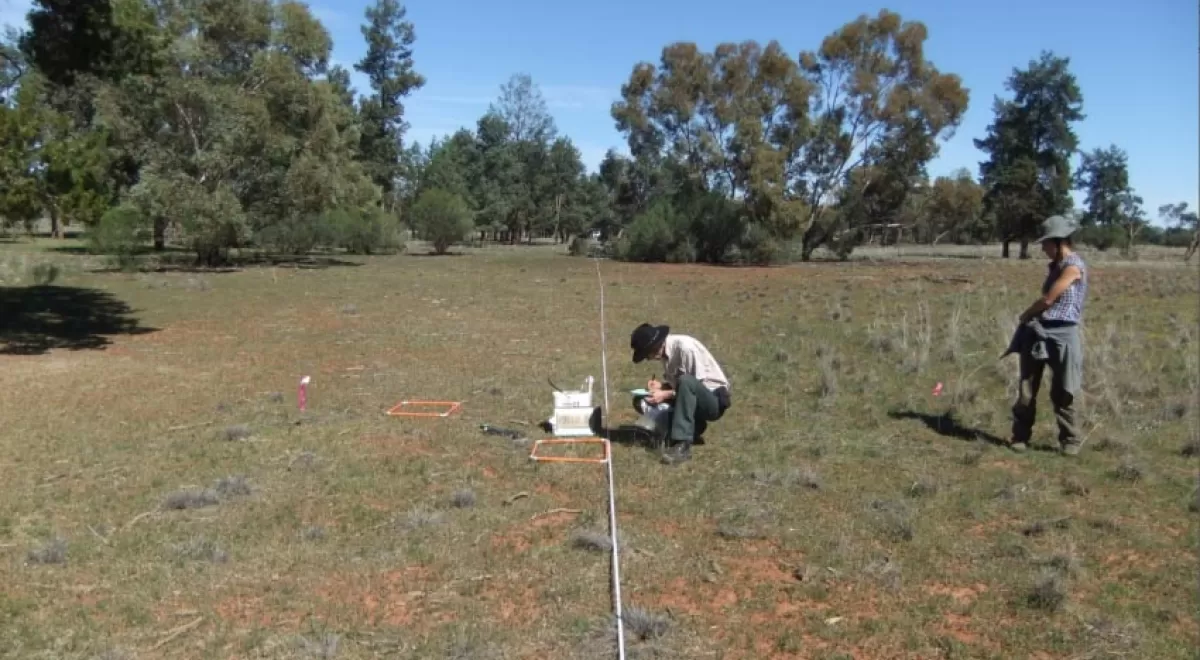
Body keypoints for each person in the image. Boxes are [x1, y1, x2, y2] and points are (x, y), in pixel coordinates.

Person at [1004, 214, 1088, 455]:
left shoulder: (1073, 267)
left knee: (1063, 390)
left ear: (1059, 241)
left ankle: (1070, 440)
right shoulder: (1055, 266)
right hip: (1038, 332)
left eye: (1045, 243)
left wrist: (1025, 314)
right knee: (1027, 388)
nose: (1042, 248)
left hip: (1063, 334)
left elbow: (1049, 299)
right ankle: (1020, 436)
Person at [628, 323, 732, 464]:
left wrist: (664, 394)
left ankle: (682, 446)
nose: (648, 358)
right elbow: (678, 386)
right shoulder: (665, 354)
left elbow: (693, 384)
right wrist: (661, 386)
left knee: (686, 381)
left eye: (647, 355)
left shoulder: (686, 348)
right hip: (689, 396)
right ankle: (691, 428)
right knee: (641, 400)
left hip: (713, 400)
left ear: (655, 347)